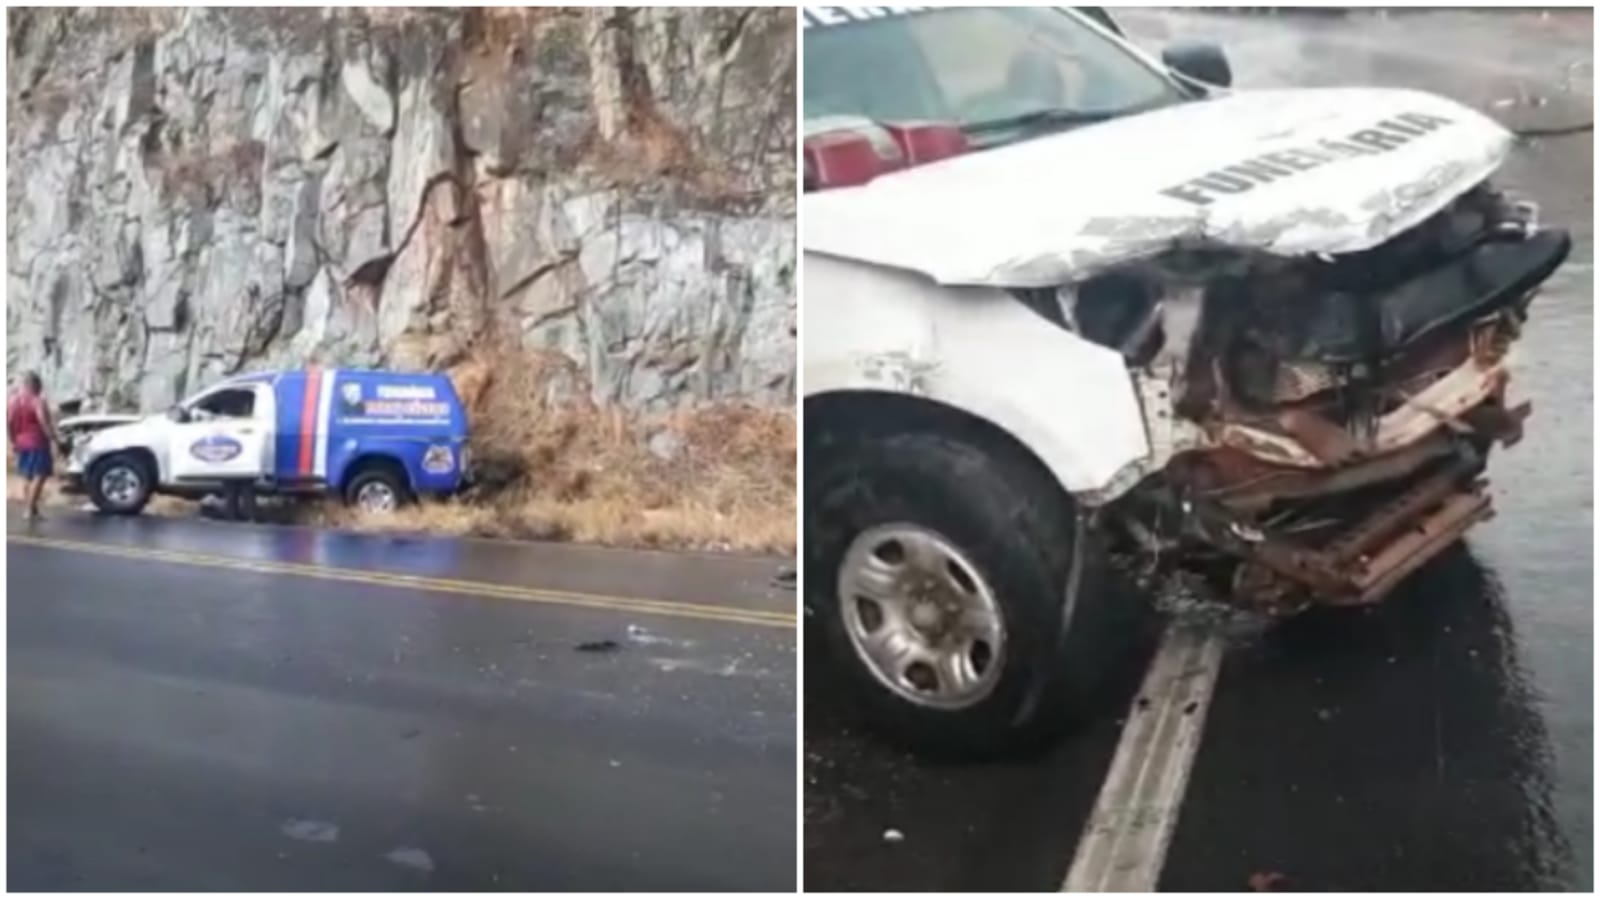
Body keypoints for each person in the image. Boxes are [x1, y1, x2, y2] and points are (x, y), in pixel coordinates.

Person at [8, 372, 58, 520]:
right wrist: (53, 438)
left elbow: (9, 421)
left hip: (21, 441)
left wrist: (13, 440)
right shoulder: (37, 400)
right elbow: (43, 420)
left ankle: (32, 509)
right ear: (35, 385)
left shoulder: (14, 401)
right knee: (40, 475)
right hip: (37, 441)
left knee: (27, 475)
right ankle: (29, 510)